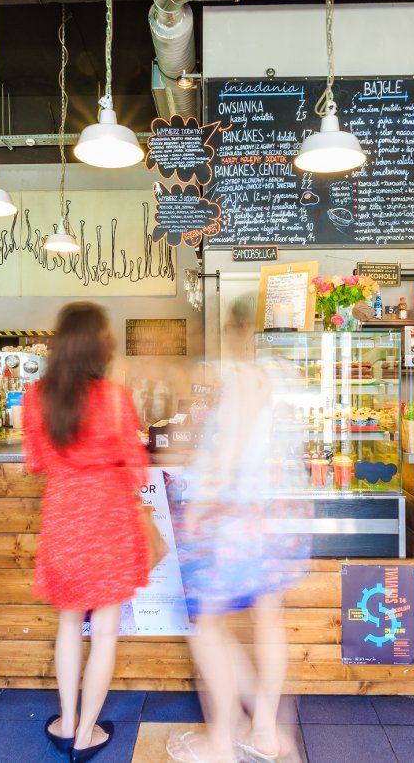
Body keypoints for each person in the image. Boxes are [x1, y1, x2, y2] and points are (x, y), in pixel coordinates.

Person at [167, 297, 309, 763]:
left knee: (207, 624)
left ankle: (222, 744)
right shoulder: (285, 372)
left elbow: (231, 448)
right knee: (268, 620)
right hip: (281, 515)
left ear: (239, 331)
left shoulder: (245, 377)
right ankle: (265, 731)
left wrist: (200, 504)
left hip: (242, 518)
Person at [24, 302, 150, 762]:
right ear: (101, 346)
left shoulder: (36, 396)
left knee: (68, 625)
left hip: (63, 520)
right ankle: (85, 734)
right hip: (110, 521)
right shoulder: (115, 397)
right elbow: (138, 470)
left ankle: (66, 721)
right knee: (106, 633)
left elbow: (35, 462)